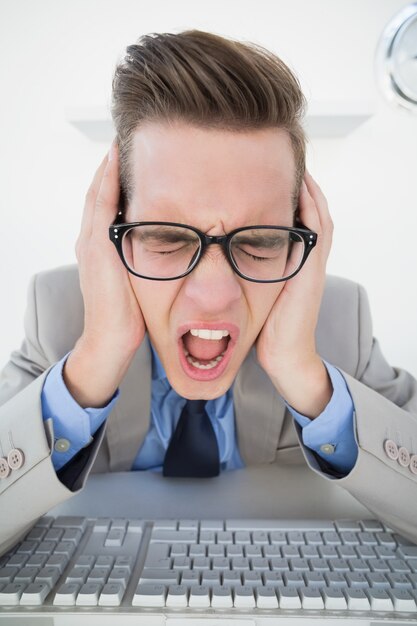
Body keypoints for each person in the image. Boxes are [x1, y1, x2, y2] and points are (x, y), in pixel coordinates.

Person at [0, 30, 416, 554]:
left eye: (262, 242)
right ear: (110, 232)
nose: (215, 294)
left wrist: (305, 376)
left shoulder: (339, 322)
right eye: (167, 238)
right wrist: (95, 360)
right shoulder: (59, 315)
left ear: (301, 240)